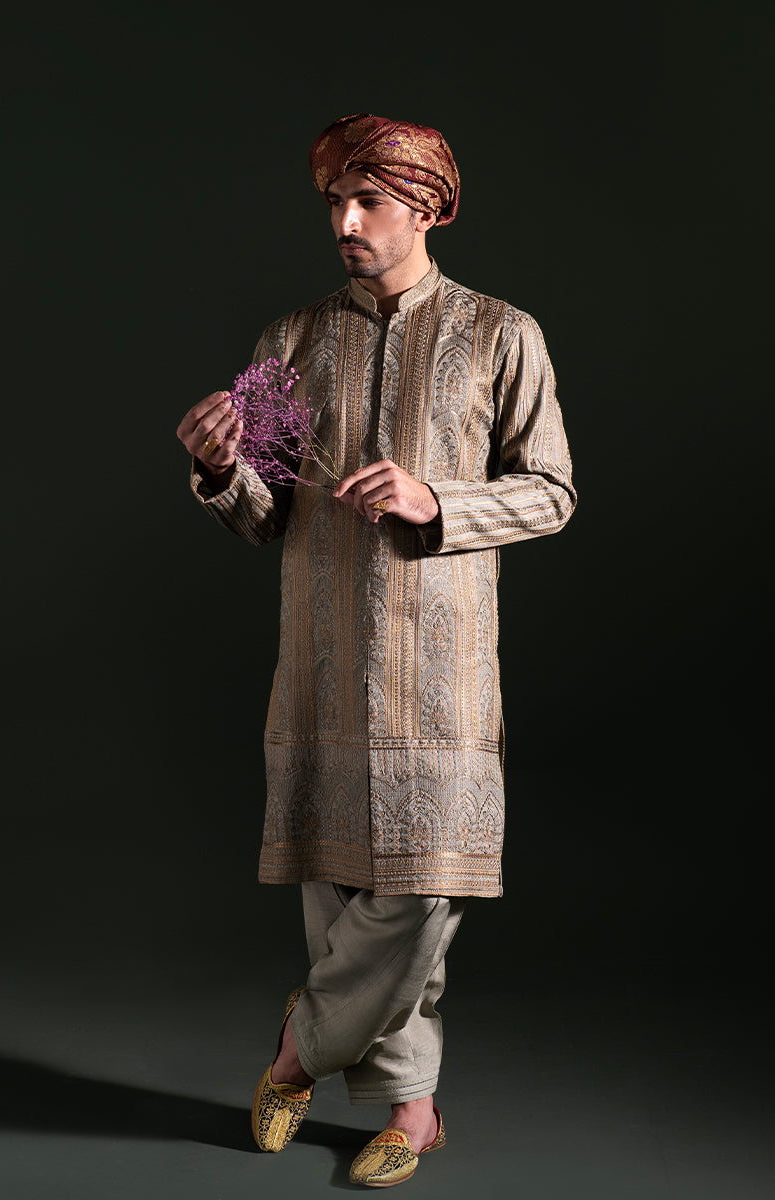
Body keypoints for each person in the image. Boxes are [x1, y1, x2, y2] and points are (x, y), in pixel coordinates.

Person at [176, 112, 576, 1188]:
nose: (345, 223)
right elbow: (264, 513)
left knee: (416, 897)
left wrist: (435, 499)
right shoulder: (290, 342)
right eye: (335, 203)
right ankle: (412, 1110)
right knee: (339, 898)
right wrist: (218, 470)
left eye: (369, 202)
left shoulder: (501, 334)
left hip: (442, 675)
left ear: (428, 207)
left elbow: (550, 493)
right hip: (318, 663)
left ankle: (297, 1051)